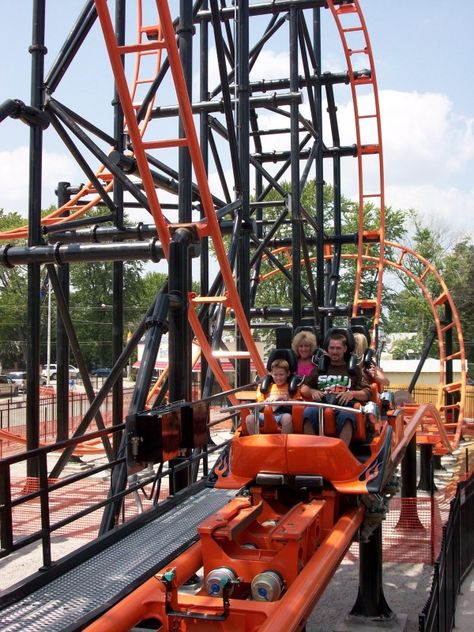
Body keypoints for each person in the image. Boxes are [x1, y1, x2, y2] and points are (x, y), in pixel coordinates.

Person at [300, 332, 371, 445]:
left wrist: (351, 394)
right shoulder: (319, 370)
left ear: (345, 349)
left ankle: (342, 452)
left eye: (338, 348)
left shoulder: (354, 370)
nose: (334, 351)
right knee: (309, 412)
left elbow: (367, 392)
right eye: (332, 348)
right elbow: (304, 389)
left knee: (346, 415)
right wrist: (313, 391)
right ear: (327, 349)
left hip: (344, 406)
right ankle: (312, 449)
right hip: (322, 404)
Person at [246, 358, 300, 435]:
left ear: (288, 374)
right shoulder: (264, 387)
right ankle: (257, 442)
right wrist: (266, 401)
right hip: (264, 414)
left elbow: (299, 403)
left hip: (282, 414)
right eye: (275, 375)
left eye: (281, 374)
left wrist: (284, 398)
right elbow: (258, 405)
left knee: (287, 418)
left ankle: (283, 444)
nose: (278, 378)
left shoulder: (293, 387)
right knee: (249, 418)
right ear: (271, 374)